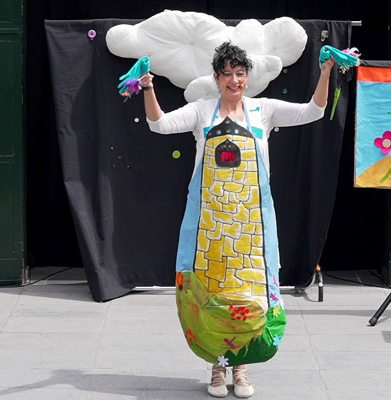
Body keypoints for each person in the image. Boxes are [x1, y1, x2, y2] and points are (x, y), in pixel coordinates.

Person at [141, 41, 335, 398]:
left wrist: (324, 73)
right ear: (216, 78)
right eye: (227, 73)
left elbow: (314, 111)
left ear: (248, 77)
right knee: (214, 293)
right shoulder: (201, 112)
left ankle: (242, 368)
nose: (234, 80)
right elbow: (159, 124)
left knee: (248, 295)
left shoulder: (264, 110)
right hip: (210, 227)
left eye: (240, 73)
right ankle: (218, 367)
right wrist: (149, 89)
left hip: (252, 228)